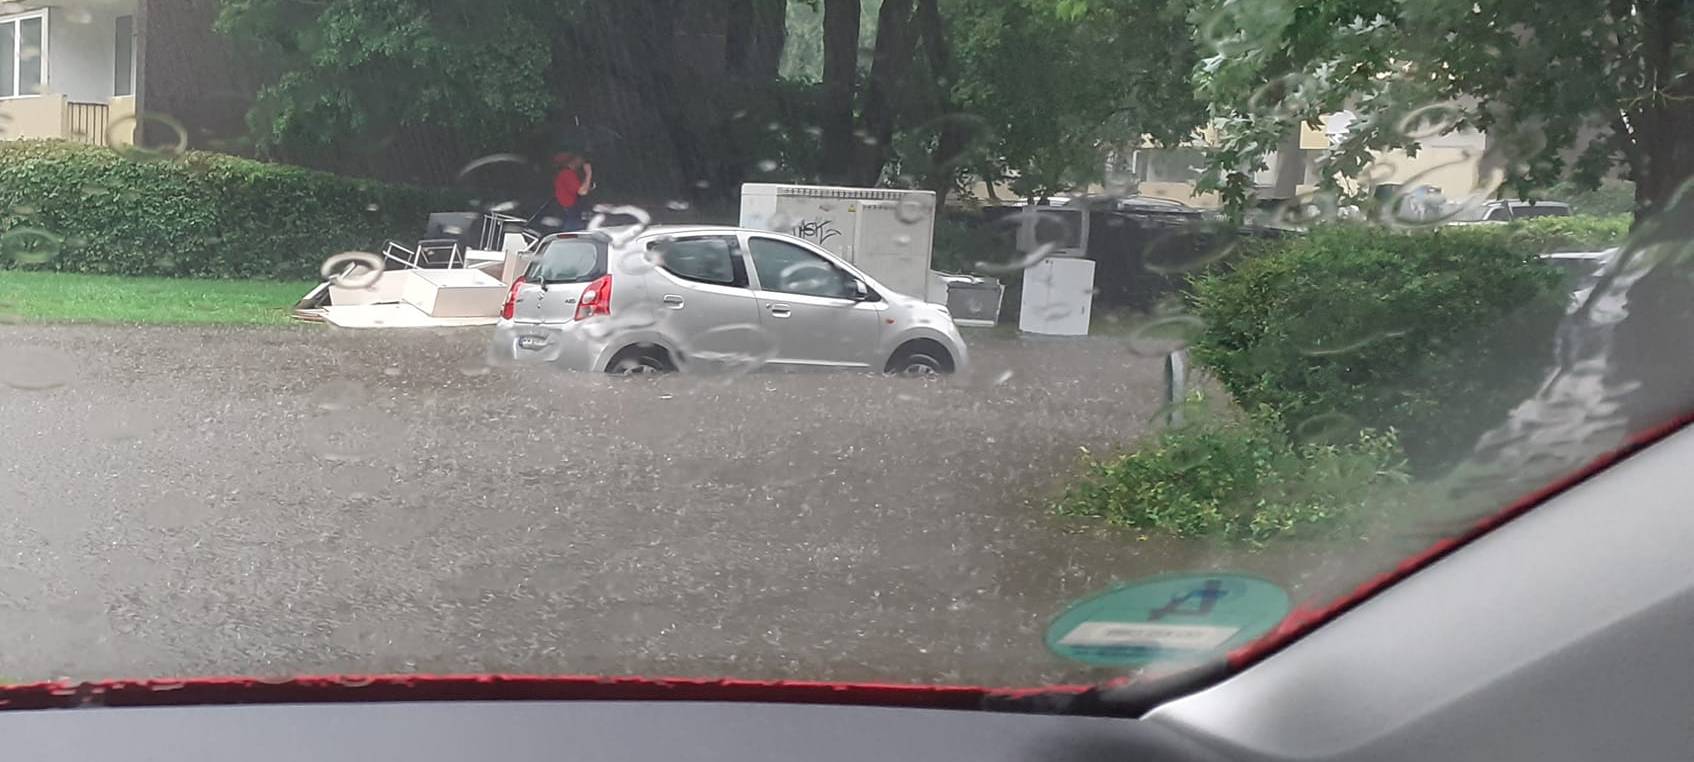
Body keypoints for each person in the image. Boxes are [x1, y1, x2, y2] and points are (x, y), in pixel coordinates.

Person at [551, 152, 594, 231]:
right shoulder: (567, 174)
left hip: (571, 212)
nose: (582, 162)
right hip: (570, 213)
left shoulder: (568, 174)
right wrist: (589, 173)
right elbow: (582, 191)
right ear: (574, 161)